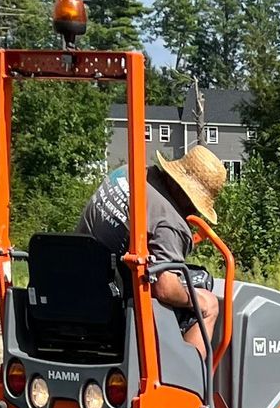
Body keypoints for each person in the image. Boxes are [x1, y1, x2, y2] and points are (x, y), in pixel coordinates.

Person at [77, 143, 227, 349]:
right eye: (196, 204)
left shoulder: (128, 173)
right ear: (186, 194)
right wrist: (195, 300)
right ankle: (186, 370)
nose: (195, 212)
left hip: (77, 282)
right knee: (207, 299)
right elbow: (164, 288)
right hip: (112, 303)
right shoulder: (172, 222)